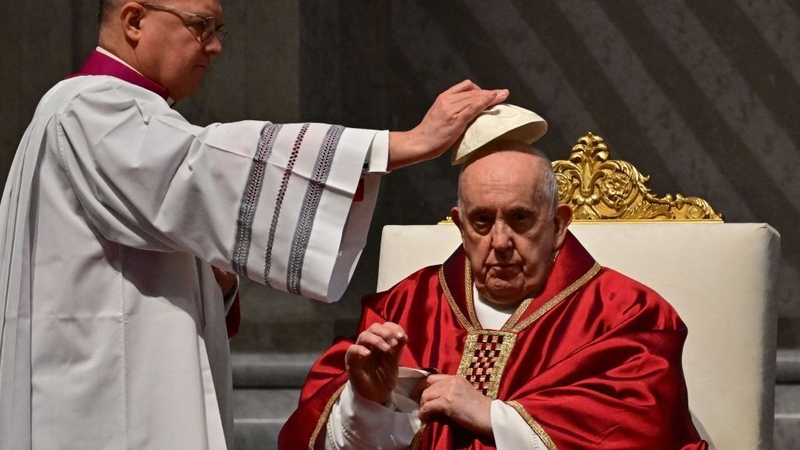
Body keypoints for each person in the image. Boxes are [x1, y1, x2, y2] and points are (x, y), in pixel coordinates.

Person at [0, 0, 509, 448]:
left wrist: (214, 278)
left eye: (220, 29)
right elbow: (205, 167)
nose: (215, 46)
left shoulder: (110, 114)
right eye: (202, 25)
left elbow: (174, 210)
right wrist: (405, 144)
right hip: (109, 402)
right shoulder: (90, 109)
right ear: (134, 20)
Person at [279, 140, 709, 449]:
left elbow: (640, 431)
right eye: (482, 221)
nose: (500, 241)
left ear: (559, 225)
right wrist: (367, 403)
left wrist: (492, 416)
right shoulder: (404, 306)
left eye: (520, 219)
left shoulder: (628, 313)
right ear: (460, 224)